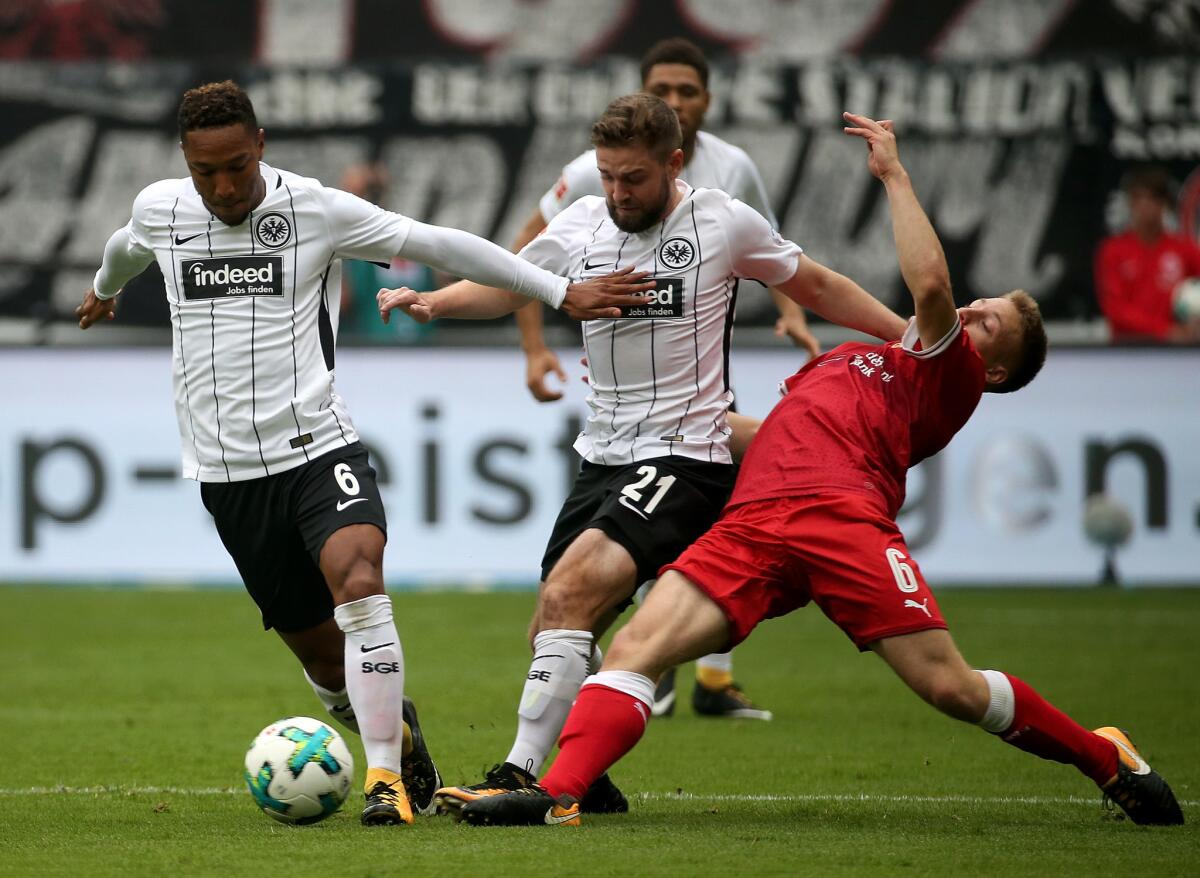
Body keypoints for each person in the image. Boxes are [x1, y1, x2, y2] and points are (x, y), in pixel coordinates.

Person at [456, 113, 1185, 829]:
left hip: (844, 522)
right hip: (754, 524)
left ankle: (1105, 756)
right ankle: (555, 796)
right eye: (979, 305)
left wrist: (895, 174)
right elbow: (778, 436)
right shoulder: (854, 362)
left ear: (991, 370)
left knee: (949, 688)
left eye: (988, 322)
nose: (972, 312)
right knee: (634, 649)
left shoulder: (950, 373)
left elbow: (929, 287)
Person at [75, 80, 655, 828]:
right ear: (186, 162)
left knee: (358, 574)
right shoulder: (163, 209)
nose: (224, 187)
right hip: (228, 477)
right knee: (323, 664)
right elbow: (127, 246)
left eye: (238, 167)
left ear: (262, 148)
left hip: (319, 446)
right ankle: (403, 738)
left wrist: (557, 288)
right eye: (206, 172)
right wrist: (102, 289)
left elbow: (437, 243)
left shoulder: (314, 208)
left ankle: (384, 779)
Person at [376, 94, 909, 816]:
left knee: (570, 593)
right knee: (555, 626)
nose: (618, 193)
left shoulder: (721, 221)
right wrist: (436, 303)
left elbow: (814, 284)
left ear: (674, 163)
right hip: (603, 456)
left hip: (688, 454)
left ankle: (520, 776)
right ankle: (589, 782)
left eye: (633, 178)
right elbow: (509, 285)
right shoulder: (583, 220)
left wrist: (905, 337)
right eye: (608, 176)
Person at [512, 36, 817, 721]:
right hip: (618, 398)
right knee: (567, 598)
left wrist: (796, 315)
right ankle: (668, 665)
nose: (676, 100)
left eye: (688, 91)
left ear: (706, 102)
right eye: (664, 89)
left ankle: (695, 666)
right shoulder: (596, 175)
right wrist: (533, 348)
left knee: (702, 463)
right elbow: (521, 260)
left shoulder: (731, 171)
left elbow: (777, 249)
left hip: (696, 369)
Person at [1095, 165, 1200, 343]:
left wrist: (1193, 323)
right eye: (1138, 199)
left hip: (1174, 355)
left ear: (1164, 204)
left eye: (1153, 198)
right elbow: (1115, 308)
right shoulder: (1113, 251)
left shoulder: (1184, 249)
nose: (1145, 206)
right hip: (1126, 352)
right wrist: (1164, 331)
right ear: (1130, 203)